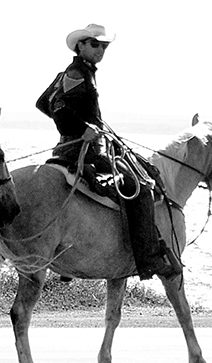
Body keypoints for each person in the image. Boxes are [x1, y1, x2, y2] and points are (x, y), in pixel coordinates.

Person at [35, 24, 181, 280]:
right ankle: (147, 259)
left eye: (104, 46)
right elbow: (57, 106)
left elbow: (42, 102)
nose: (100, 50)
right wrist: (81, 129)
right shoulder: (76, 72)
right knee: (140, 185)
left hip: (82, 145)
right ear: (80, 46)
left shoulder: (79, 72)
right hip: (85, 150)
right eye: (94, 44)